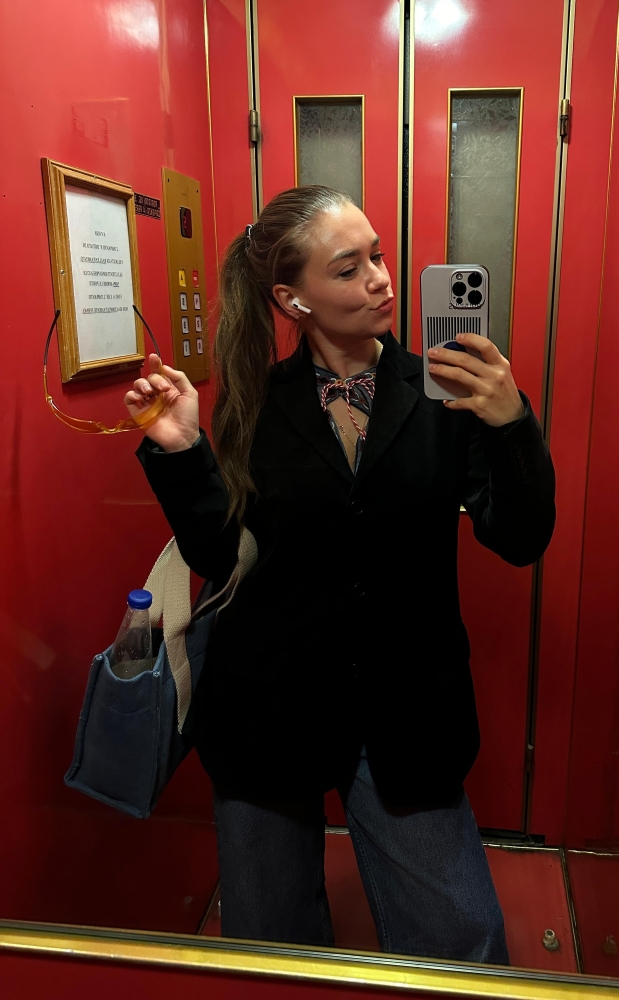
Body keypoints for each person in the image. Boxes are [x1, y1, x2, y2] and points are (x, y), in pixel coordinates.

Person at [126, 185, 555, 964]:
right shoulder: (255, 401)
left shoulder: (448, 391)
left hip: (405, 708)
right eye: (349, 268)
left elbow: (520, 539)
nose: (381, 279)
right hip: (267, 704)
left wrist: (511, 423)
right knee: (268, 940)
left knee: (461, 940)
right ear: (292, 300)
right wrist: (181, 452)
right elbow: (221, 559)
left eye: (379, 256)